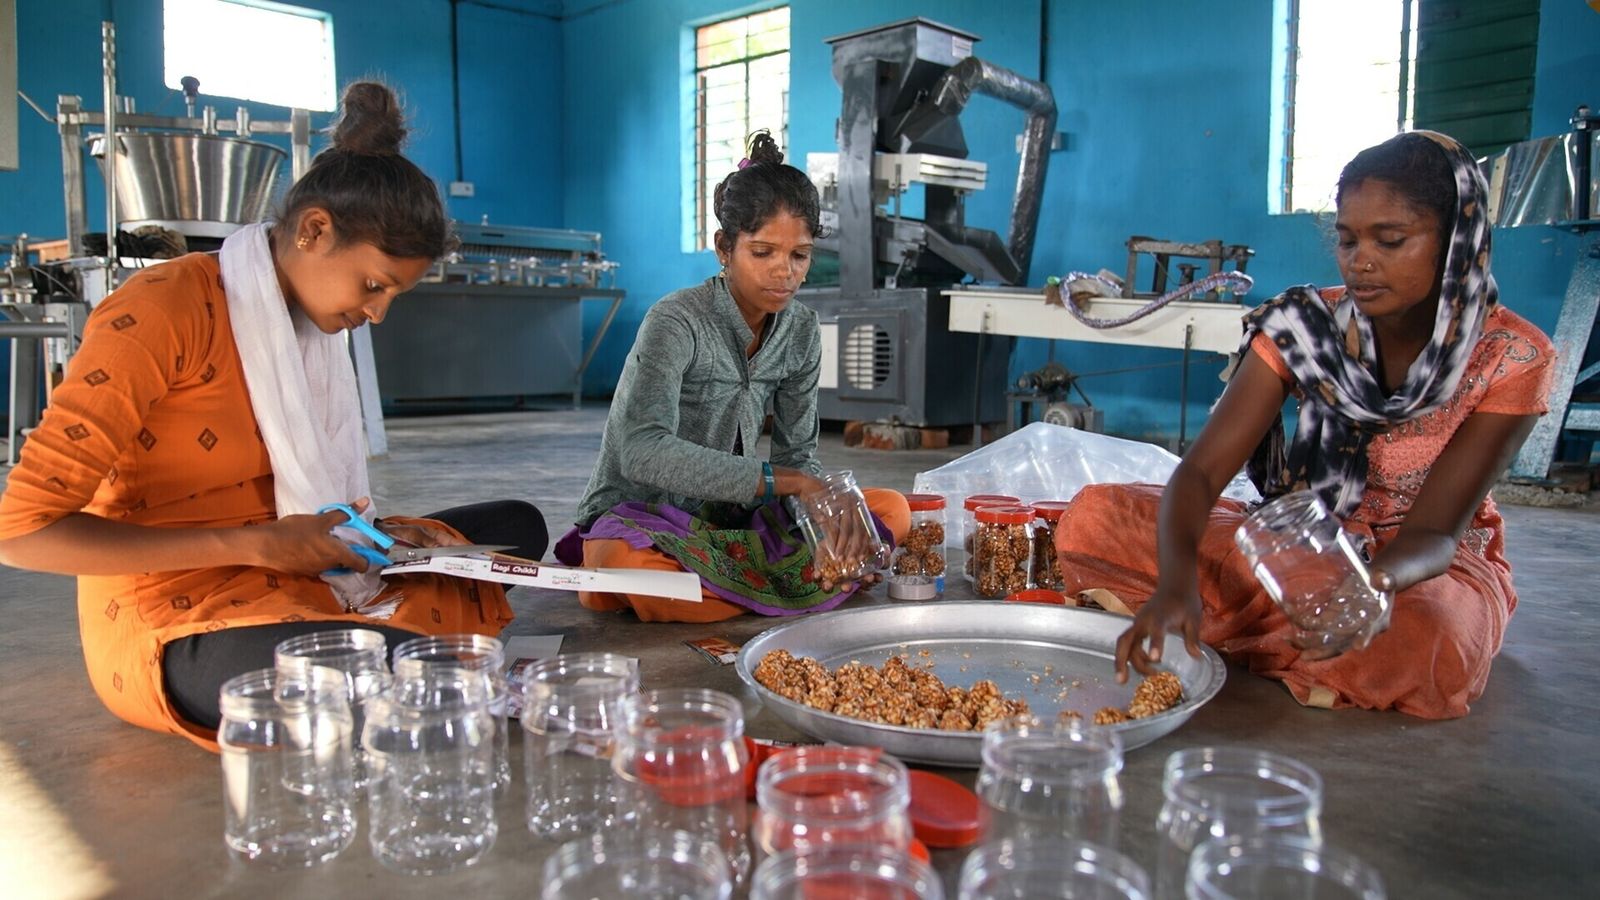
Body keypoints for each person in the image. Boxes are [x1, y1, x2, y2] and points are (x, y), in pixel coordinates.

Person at [0, 82, 547, 749]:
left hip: (302, 564)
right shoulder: (161, 310)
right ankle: (381, 649)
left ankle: (381, 639)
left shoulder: (311, 326)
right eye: (374, 285)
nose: (376, 314)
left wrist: (377, 539)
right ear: (314, 229)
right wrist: (256, 544)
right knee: (349, 673)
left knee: (517, 528)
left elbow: (307, 505)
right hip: (182, 605)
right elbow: (22, 533)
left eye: (393, 295)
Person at [1054, 131, 1555, 719]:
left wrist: (1371, 588)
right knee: (1096, 518)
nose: (1360, 260)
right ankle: (1288, 636)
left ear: (1457, 244)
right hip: (1302, 538)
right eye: (1347, 240)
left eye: (1390, 240)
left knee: (1429, 639)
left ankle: (1265, 627)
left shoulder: (1511, 354)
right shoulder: (1304, 325)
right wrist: (1176, 583)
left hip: (1413, 566)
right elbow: (1199, 475)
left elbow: (1436, 534)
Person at [554, 131, 909, 623]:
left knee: (889, 510)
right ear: (725, 247)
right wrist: (788, 483)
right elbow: (641, 449)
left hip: (731, 523)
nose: (784, 272)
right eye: (763, 252)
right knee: (620, 562)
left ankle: (745, 590)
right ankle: (784, 588)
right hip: (647, 517)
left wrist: (826, 520)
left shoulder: (802, 330)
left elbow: (798, 455)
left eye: (799, 255)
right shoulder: (676, 321)